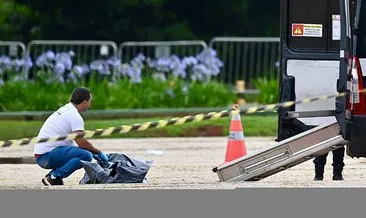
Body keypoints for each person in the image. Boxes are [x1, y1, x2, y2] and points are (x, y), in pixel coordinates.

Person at [231, 103, 345, 181]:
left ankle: (327, 175)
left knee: (327, 149)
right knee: (329, 149)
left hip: (328, 123)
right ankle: (331, 175)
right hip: (332, 123)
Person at [34, 87, 109, 186]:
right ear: (84, 102)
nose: (90, 105)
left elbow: (77, 144)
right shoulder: (74, 116)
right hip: (46, 156)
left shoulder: (67, 109)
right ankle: (54, 176)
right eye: (90, 101)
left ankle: (52, 176)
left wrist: (92, 152)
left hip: (41, 154)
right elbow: (82, 143)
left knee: (83, 153)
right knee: (86, 156)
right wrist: (98, 153)